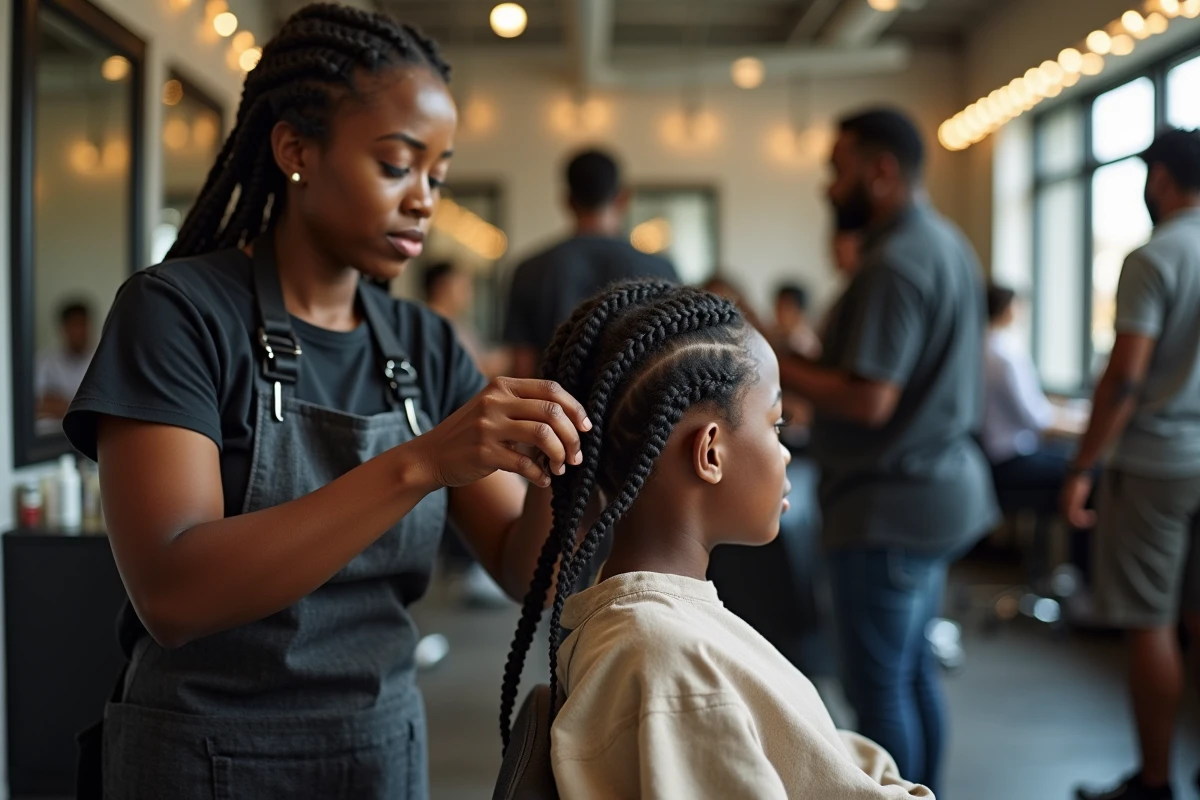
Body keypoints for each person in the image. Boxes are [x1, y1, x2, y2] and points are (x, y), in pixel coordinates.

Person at [62, 6, 592, 797]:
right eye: (397, 165)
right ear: (295, 150)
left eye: (437, 177)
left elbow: (527, 573)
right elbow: (173, 593)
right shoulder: (178, 313)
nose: (423, 200)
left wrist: (565, 459)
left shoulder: (423, 343)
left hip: (380, 752)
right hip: (201, 754)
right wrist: (417, 464)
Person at [499, 281, 932, 799]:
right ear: (709, 452)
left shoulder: (654, 634)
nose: (786, 450)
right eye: (777, 423)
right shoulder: (667, 663)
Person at [774, 107, 997, 795]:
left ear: (881, 172)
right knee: (912, 672)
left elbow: (871, 398)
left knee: (878, 691)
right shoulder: (945, 243)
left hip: (889, 506)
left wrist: (776, 363)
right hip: (932, 492)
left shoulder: (895, 262)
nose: (829, 186)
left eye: (838, 170)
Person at [1065, 129, 1200, 800]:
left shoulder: (1155, 256)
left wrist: (1083, 467)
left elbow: (1124, 378)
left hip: (1156, 464)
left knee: (1152, 620)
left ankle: (1154, 782)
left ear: (1161, 179)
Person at [502, 149, 678, 378]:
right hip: (639, 401)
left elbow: (521, 372)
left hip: (552, 401)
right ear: (623, 198)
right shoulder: (661, 270)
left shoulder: (529, 271)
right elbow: (673, 363)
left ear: (568, 201)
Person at [422, 260, 505, 376]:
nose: (469, 293)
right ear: (441, 287)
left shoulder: (461, 325)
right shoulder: (425, 326)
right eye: (462, 286)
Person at [36, 300, 94, 421]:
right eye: (75, 325)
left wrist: (64, 404)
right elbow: (36, 403)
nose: (80, 331)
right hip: (52, 430)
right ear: (64, 328)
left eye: (83, 325)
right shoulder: (45, 360)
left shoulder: (100, 360)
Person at [775, 283, 821, 359]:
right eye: (778, 307)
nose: (780, 313)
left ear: (799, 311)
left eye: (786, 308)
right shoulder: (776, 334)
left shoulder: (807, 343)